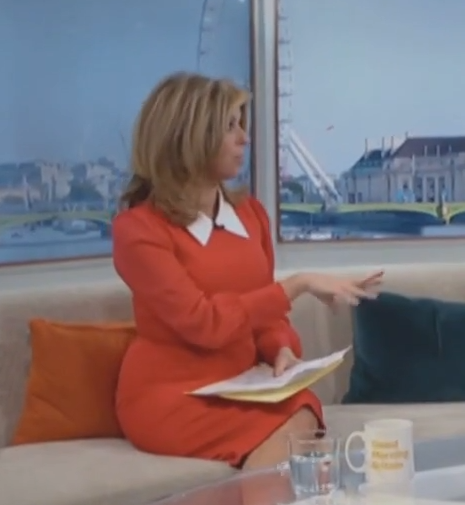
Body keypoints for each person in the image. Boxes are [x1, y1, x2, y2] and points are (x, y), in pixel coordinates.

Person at [113, 72, 382, 471]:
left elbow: (267, 319)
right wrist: (298, 285)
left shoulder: (251, 214)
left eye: (242, 124)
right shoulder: (138, 230)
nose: (244, 138)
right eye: (230, 126)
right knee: (299, 440)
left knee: (306, 417)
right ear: (190, 137)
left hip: (245, 385)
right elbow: (204, 323)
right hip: (173, 396)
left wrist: (280, 350)